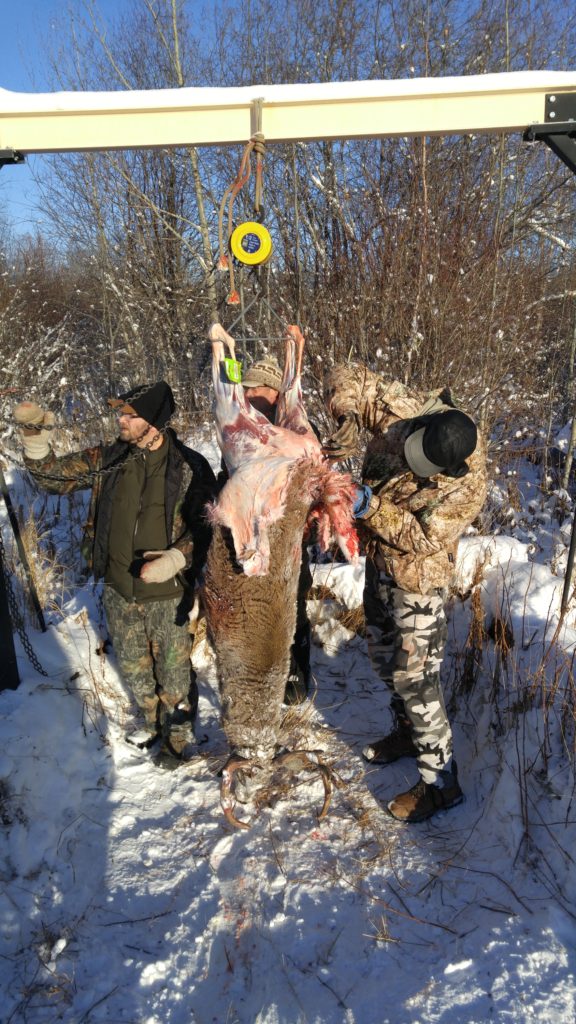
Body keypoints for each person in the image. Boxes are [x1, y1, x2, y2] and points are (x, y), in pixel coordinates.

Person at [14, 382, 217, 762]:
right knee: (136, 671)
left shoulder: (190, 466)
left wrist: (176, 558)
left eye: (130, 415)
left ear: (154, 422)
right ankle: (152, 721)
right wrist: (35, 438)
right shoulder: (111, 458)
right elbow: (54, 478)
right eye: (120, 413)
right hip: (119, 589)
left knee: (173, 676)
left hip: (168, 593)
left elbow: (209, 525)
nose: (121, 420)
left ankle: (178, 734)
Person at [323, 364, 487, 822]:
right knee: (383, 655)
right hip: (380, 564)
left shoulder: (466, 488)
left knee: (418, 680)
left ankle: (441, 784)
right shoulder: (409, 409)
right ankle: (406, 732)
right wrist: (348, 417)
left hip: (417, 579)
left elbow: (420, 536)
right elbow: (350, 376)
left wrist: (368, 506)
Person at [219, 356, 314, 705]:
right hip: (250, 539)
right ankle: (258, 678)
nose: (255, 394)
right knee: (255, 612)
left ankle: (295, 679)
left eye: (263, 389)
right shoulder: (239, 433)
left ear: (278, 396)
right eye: (250, 388)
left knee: (294, 610)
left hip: (290, 542)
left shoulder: (296, 433)